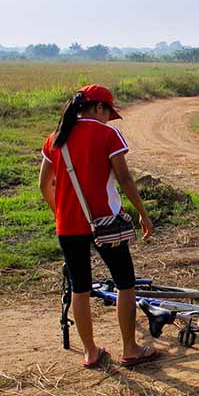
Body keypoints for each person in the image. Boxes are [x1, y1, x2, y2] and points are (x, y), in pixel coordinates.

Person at [39, 84, 160, 368]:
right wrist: (143, 214)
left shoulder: (55, 138)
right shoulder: (107, 135)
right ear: (98, 108)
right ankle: (130, 348)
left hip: (67, 227)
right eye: (108, 112)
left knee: (79, 288)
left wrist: (60, 213)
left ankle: (91, 352)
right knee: (125, 283)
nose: (109, 119)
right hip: (106, 224)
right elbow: (125, 180)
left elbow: (44, 184)